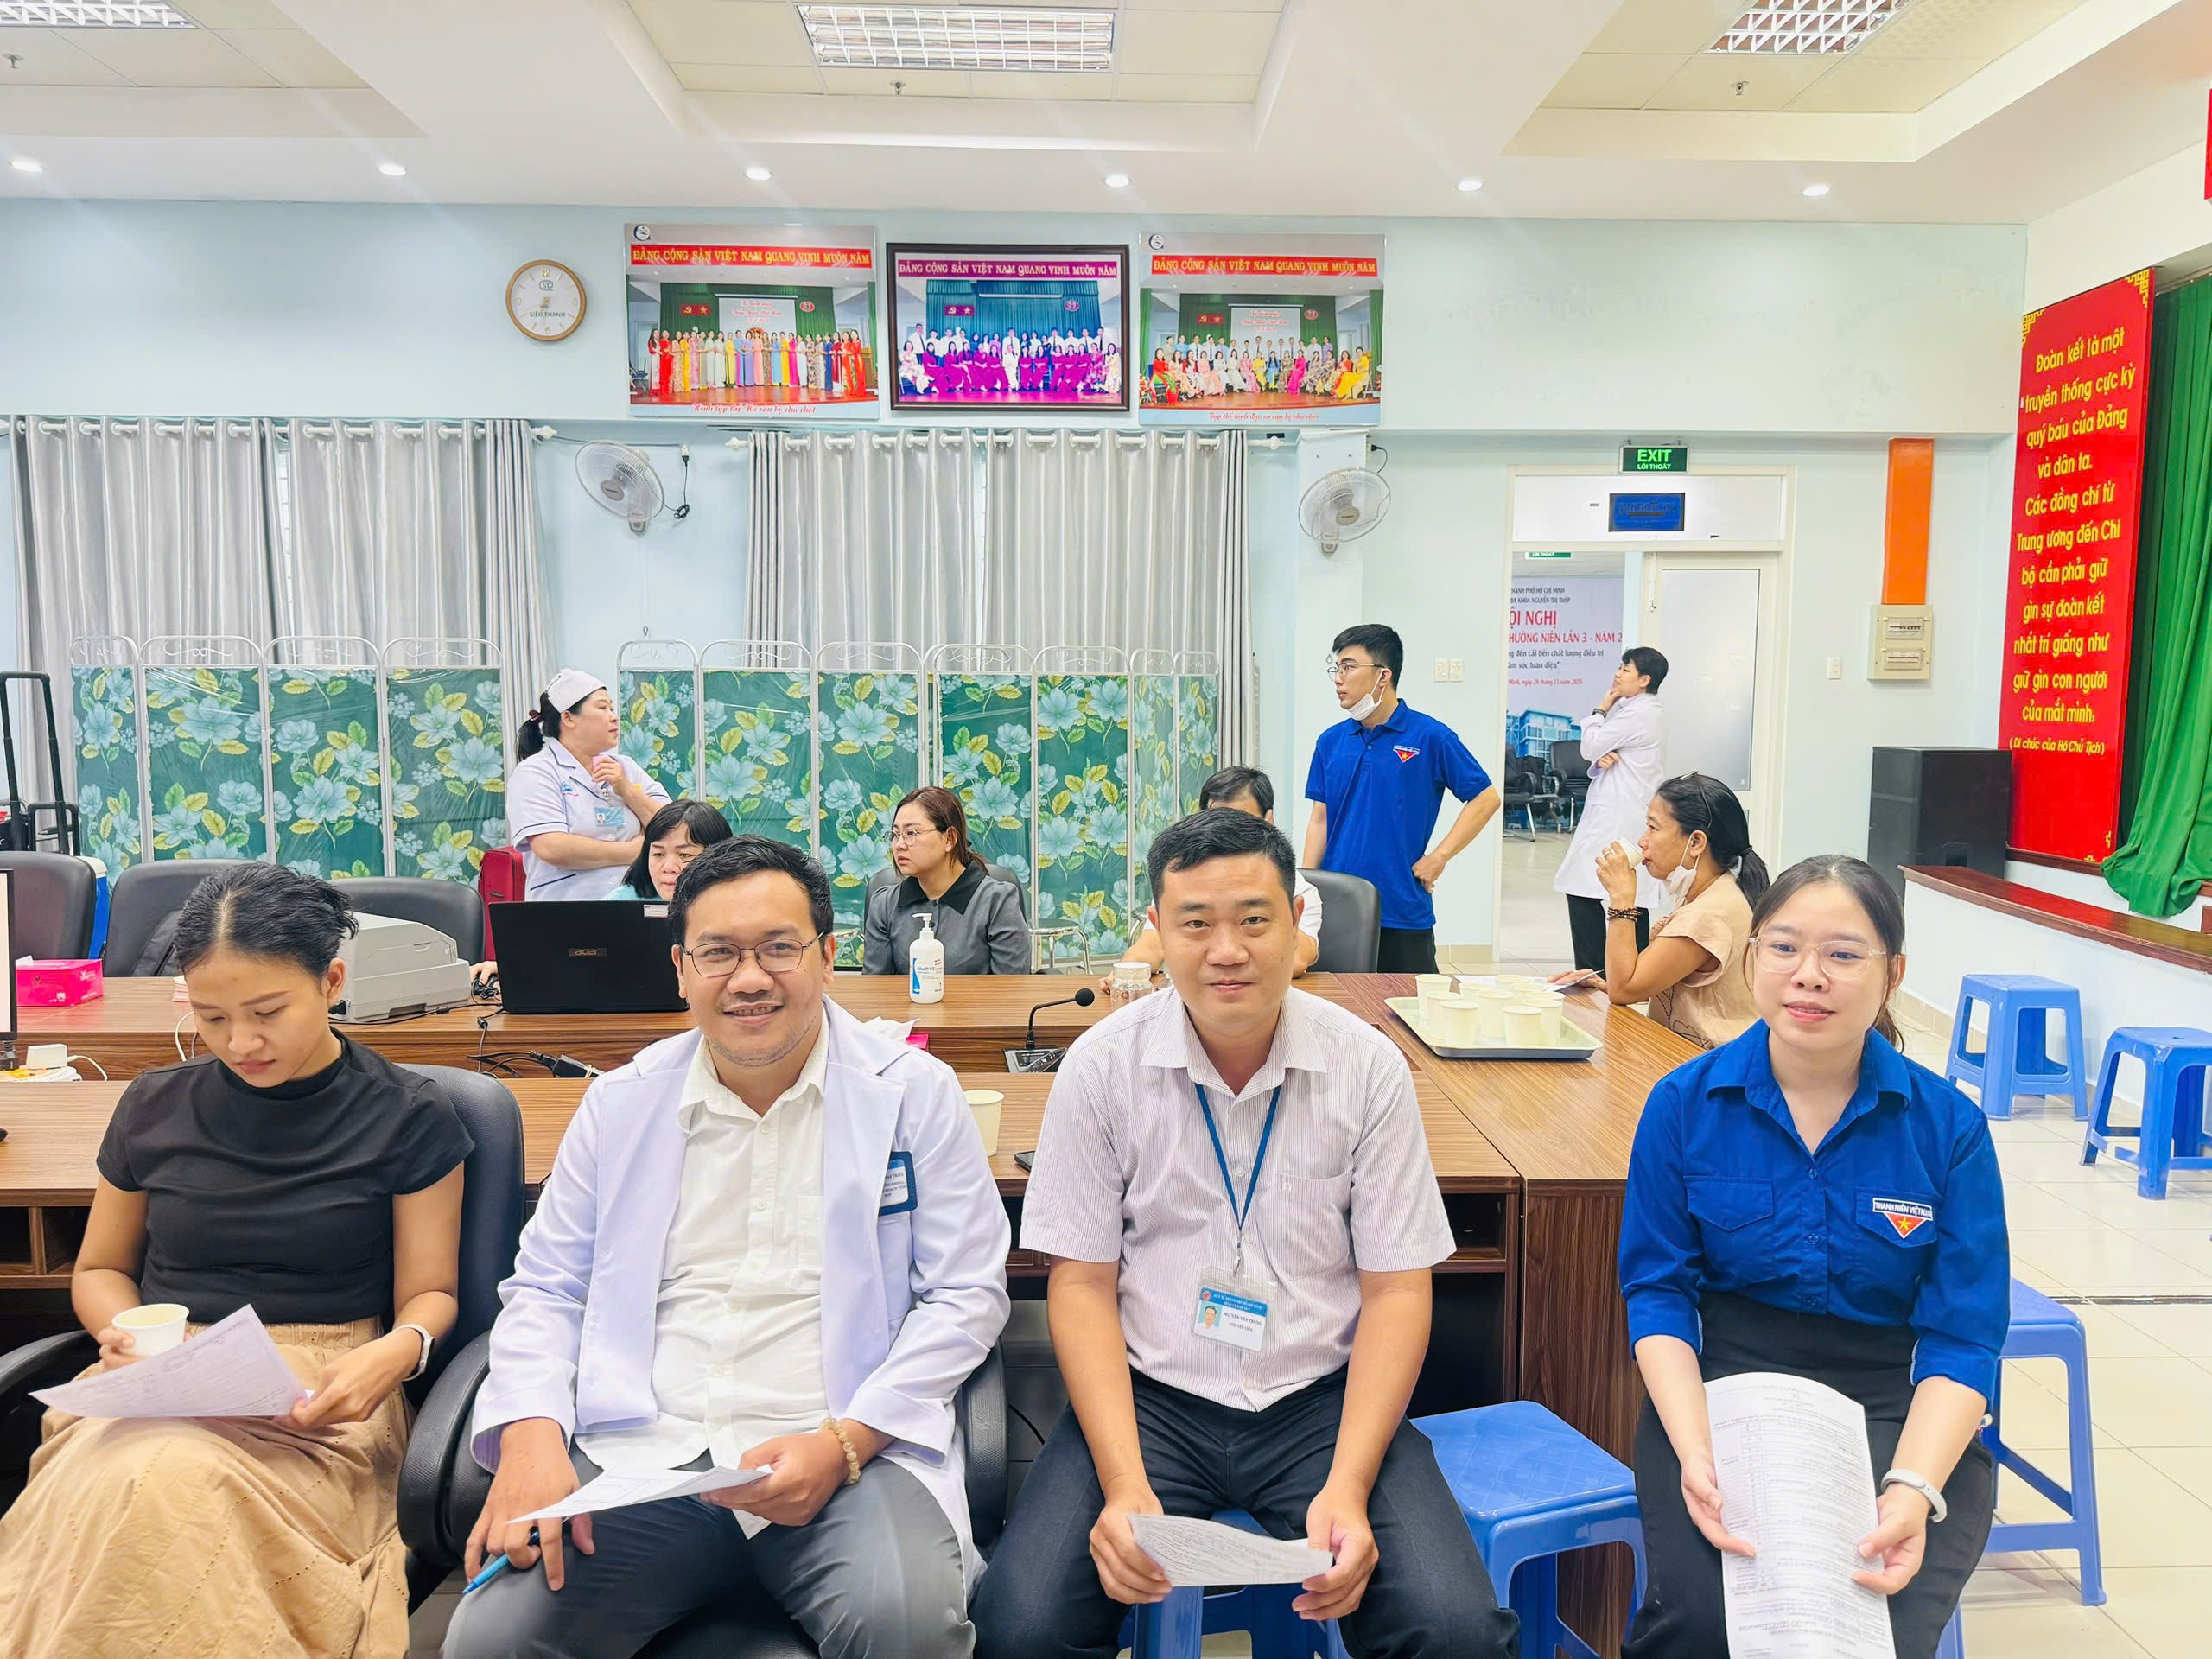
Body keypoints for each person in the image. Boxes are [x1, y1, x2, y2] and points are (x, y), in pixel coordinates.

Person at [445, 836, 1011, 1659]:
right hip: (650, 1451)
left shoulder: (914, 1094)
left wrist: (847, 1442)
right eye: (719, 954)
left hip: (850, 1447)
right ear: (681, 970)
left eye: (779, 948)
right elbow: (548, 1288)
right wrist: (531, 1435)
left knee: (906, 1629)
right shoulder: (621, 1103)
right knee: (492, 1643)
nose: (750, 978)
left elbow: (966, 1295)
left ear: (826, 958)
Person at [972, 810, 1517, 1659]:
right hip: (1149, 1399)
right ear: (1157, 931)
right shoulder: (1102, 1068)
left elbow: (1397, 1290)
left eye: (1253, 920)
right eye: (1195, 924)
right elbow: (1079, 1285)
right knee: (1021, 1628)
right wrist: (1122, 1484)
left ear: (1296, 922)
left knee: (1456, 1633)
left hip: (1321, 1404)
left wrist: (1349, 1485)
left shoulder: (1366, 1068)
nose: (1226, 950)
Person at [0, 865, 470, 1658]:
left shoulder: (407, 1115)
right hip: (163, 1378)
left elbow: (431, 1293)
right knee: (136, 1484)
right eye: (212, 1017)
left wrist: (398, 1351)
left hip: (319, 1394)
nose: (240, 1043)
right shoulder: (152, 1105)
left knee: (162, 1487)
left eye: (267, 1013)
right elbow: (100, 1270)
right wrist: (128, 1335)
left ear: (331, 981)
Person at [1618, 855, 2005, 1659]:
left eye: (1844, 954)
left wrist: (1913, 1486)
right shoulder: (1683, 1105)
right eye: (1785, 947)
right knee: (1705, 1621)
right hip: (1723, 1390)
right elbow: (1657, 1291)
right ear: (1752, 958)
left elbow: (1964, 1337)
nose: (1809, 976)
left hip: (1892, 1398)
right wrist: (1694, 1448)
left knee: (1870, 1623)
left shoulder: (1948, 1128)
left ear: (1893, 974)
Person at [1304, 624, 1501, 975]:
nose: (1338, 678)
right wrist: (1307, 887)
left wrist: (1439, 857)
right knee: (1338, 1005)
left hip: (1402, 908)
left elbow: (1486, 799)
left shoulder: (1431, 737)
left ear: (1383, 675)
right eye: (1336, 668)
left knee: (1411, 1005)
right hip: (1338, 907)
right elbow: (1320, 819)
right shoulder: (1330, 742)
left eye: (1349, 666)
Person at [1579, 774, 1767, 1049]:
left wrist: (1621, 898)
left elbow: (1624, 989)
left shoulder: (1705, 915)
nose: (1642, 841)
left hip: (1707, 1065)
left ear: (1696, 843)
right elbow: (1646, 981)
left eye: (1653, 828)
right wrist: (1601, 983)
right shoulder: (1715, 891)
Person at [1108, 766, 1324, 985]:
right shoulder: (1183, 883)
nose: (1227, 831)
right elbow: (1150, 946)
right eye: (1217, 819)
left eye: (1241, 821)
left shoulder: (1298, 888)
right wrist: (1126, 975)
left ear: (1268, 820)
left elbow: (1298, 958)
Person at [507, 668, 670, 902]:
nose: (614, 717)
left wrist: (627, 790)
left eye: (612, 709)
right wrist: (633, 851)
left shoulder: (626, 768)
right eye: (603, 708)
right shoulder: (536, 772)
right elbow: (552, 847)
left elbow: (673, 825)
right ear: (568, 718)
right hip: (568, 908)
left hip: (634, 905)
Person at [1556, 647, 1671, 970]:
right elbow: (1602, 755)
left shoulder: (1639, 714)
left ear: (1644, 680)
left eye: (1626, 669)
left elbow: (1590, 746)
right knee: (1625, 895)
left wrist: (1599, 710)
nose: (1618, 674)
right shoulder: (1639, 712)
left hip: (1620, 817)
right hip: (1622, 812)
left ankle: (1599, 974)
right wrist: (1600, 756)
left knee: (1585, 889)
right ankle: (1630, 974)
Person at [862, 785, 1031, 977]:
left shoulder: (997, 901)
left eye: (911, 833)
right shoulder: (884, 904)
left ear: (949, 838)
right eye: (895, 835)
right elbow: (876, 987)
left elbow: (1011, 988)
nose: (899, 845)